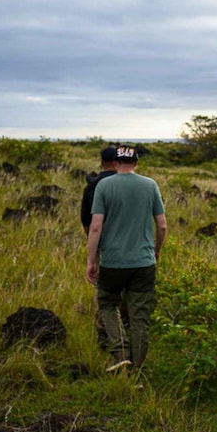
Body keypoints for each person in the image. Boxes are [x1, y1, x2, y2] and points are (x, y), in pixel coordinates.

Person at [86, 145, 167, 372]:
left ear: (115, 163)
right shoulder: (150, 185)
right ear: (136, 163)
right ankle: (137, 367)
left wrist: (91, 260)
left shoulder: (104, 185)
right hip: (144, 261)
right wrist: (156, 250)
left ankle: (120, 353)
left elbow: (95, 227)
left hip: (112, 261)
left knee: (108, 305)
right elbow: (162, 225)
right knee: (140, 315)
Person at [80, 146, 119, 350]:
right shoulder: (127, 184)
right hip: (128, 244)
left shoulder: (92, 186)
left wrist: (93, 249)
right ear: (117, 161)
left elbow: (88, 222)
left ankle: (104, 332)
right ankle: (123, 330)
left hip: (102, 243)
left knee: (102, 288)